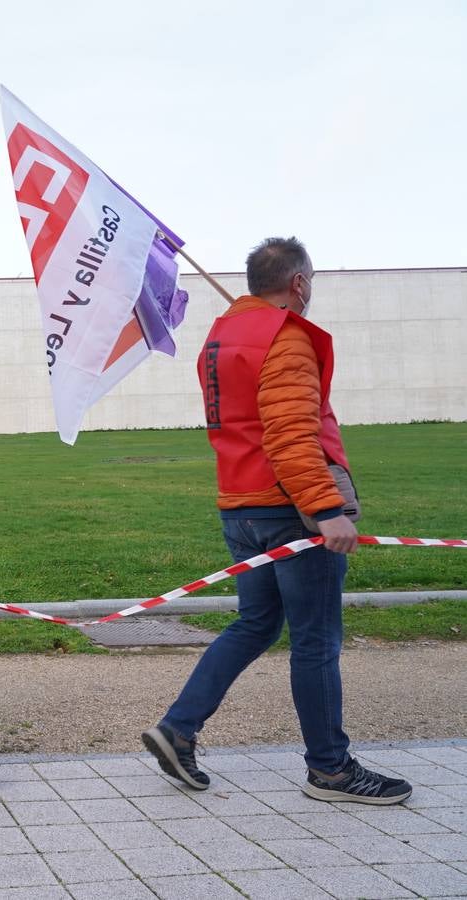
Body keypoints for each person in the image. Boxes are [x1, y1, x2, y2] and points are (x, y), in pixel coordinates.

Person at [142, 237, 412, 805]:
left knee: (256, 624)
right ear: (298, 283)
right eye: (310, 280)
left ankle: (178, 730)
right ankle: (332, 771)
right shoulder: (284, 338)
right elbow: (289, 434)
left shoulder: (221, 335)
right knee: (315, 640)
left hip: (240, 505)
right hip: (290, 508)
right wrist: (324, 510)